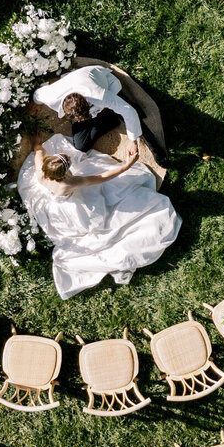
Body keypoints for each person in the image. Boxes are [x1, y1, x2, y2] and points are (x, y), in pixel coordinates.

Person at [17, 130, 181, 300]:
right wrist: (126, 166)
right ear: (64, 174)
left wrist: (37, 144)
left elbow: (39, 152)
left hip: (55, 207)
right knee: (106, 206)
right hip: (74, 209)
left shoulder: (41, 175)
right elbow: (101, 177)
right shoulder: (70, 183)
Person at [32, 64, 168, 164]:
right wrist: (32, 106)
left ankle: (156, 150)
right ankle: (112, 118)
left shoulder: (97, 94)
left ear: (86, 101)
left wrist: (133, 141)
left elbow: (128, 110)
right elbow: (36, 95)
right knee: (80, 146)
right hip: (84, 101)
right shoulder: (49, 95)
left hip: (106, 85)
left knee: (132, 113)